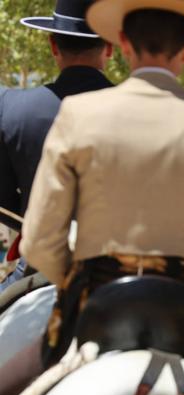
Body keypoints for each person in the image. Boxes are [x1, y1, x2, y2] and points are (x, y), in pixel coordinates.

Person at [1, 1, 184, 395]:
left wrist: (79, 281)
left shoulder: (79, 114)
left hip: (95, 300)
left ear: (124, 45)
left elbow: (40, 239)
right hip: (182, 306)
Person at [0, 0, 113, 289]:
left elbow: (5, 201)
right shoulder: (142, 112)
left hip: (40, 269)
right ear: (110, 48)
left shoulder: (13, 109)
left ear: (53, 46)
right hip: (120, 270)